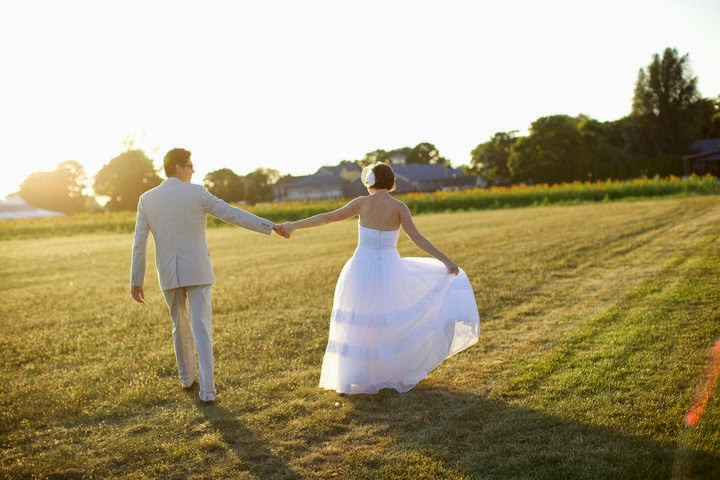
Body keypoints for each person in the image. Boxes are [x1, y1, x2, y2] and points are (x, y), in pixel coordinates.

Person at [278, 162, 479, 394]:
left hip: (361, 267)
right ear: (391, 182)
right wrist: (447, 261)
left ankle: (354, 375)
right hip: (391, 268)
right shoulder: (399, 206)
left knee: (361, 319)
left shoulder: (361, 203)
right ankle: (387, 371)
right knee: (386, 319)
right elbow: (418, 239)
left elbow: (327, 217)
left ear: (370, 182)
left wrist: (293, 225)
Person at [130, 147, 287, 404]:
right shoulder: (196, 192)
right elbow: (232, 214)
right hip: (198, 270)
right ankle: (208, 391)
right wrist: (269, 226)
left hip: (168, 272)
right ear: (179, 167)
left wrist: (136, 279)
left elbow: (139, 242)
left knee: (178, 328)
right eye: (190, 165)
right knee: (201, 328)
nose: (193, 170)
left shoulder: (147, 198)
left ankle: (186, 379)